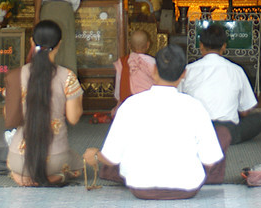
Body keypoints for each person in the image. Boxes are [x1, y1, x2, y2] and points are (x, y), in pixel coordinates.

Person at [83, 44, 230, 199]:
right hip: (187, 189)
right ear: (184, 74)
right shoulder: (195, 106)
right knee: (222, 132)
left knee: (119, 154)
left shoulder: (131, 105)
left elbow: (111, 158)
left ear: (154, 71)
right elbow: (210, 160)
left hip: (142, 189)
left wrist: (95, 155)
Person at [5, 20, 84, 186]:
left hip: (19, 159)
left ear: (32, 42)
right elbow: (74, 118)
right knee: (78, 164)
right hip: (56, 160)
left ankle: (21, 176)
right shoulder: (67, 76)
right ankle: (53, 177)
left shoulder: (16, 75)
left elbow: (8, 115)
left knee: (12, 162)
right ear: (59, 44)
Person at [180, 22, 261, 144]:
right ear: (224, 46)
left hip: (196, 129)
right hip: (227, 129)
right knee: (258, 119)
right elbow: (245, 111)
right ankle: (222, 137)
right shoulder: (237, 70)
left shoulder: (188, 70)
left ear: (201, 46)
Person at [112, 28, 156, 116]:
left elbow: (118, 89)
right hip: (149, 104)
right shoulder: (153, 62)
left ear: (129, 45)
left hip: (128, 104)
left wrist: (119, 101)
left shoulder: (123, 62)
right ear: (148, 45)